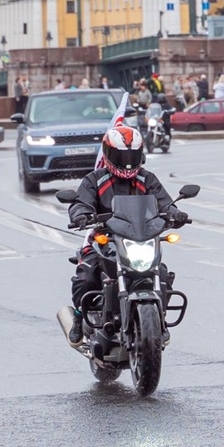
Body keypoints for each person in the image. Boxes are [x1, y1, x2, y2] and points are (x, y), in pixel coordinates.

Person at [65, 123, 181, 341]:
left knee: (162, 274)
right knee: (87, 277)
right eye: (121, 156)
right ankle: (80, 317)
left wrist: (175, 213)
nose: (127, 162)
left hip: (141, 238)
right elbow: (81, 202)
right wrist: (81, 214)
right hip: (104, 239)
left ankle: (159, 319)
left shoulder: (148, 179)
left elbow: (164, 202)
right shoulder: (94, 179)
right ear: (109, 154)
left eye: (132, 155)